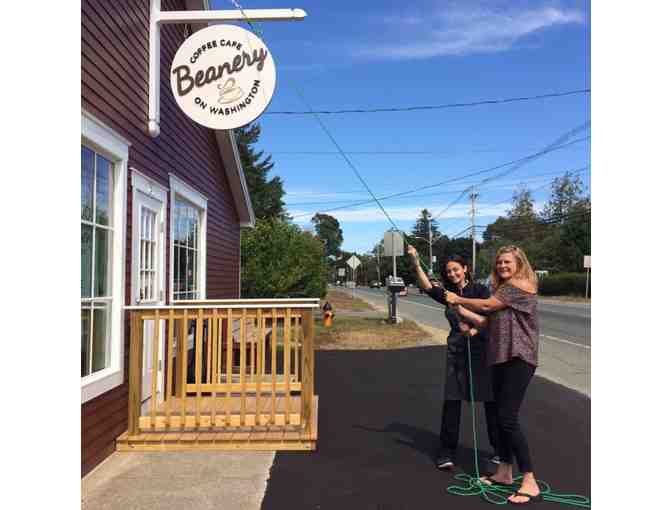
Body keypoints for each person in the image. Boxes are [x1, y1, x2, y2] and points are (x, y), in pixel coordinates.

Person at [444, 245, 541, 505]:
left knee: (507, 418)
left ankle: (529, 480)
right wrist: (468, 321)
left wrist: (459, 300)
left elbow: (487, 305)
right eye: (499, 262)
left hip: (518, 358)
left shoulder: (521, 285)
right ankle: (505, 471)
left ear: (519, 263)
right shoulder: (503, 290)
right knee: (499, 417)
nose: (502, 266)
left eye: (507, 262)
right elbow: (488, 321)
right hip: (499, 357)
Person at [407, 245, 499, 470]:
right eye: (448, 271)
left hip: (482, 350)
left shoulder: (480, 290)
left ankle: (499, 449)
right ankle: (446, 451)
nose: (452, 274)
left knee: (490, 400)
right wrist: (416, 262)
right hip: (457, 351)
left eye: (456, 269)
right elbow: (427, 286)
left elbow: (491, 318)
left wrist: (472, 327)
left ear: (465, 269)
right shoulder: (447, 293)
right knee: (452, 400)